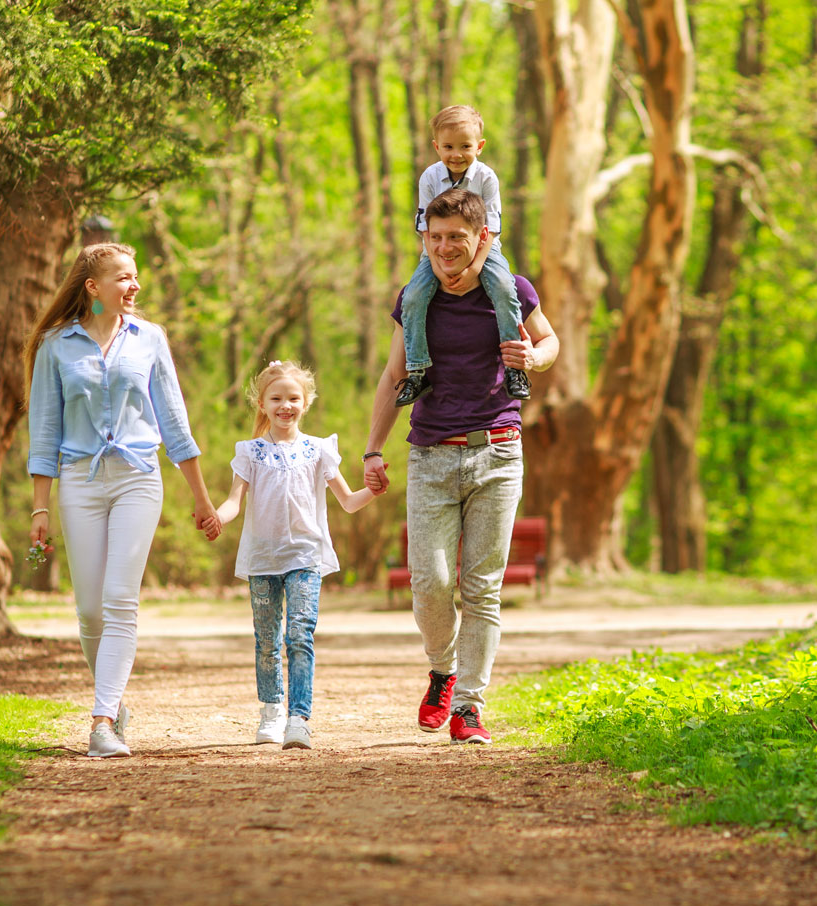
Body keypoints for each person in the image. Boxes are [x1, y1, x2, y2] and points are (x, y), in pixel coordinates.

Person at [363, 188, 559, 745]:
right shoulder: (416, 299)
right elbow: (394, 375)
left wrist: (534, 357)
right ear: (424, 238)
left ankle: (469, 706)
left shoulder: (513, 290)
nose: (445, 247)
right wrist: (373, 450)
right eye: (436, 237)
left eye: (457, 237)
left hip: (498, 451)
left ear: (482, 238)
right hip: (430, 453)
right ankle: (442, 669)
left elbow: (549, 341)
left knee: (481, 588)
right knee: (429, 582)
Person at [25, 242, 221, 759]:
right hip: (80, 482)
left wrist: (201, 498)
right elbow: (44, 431)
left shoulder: (149, 338)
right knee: (90, 610)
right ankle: (113, 699)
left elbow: (174, 423)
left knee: (118, 600)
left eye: (135, 276)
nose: (135, 286)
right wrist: (40, 507)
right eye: (124, 278)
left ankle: (102, 720)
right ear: (94, 287)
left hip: (138, 479)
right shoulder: (55, 345)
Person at [212, 360, 383, 749]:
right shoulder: (250, 452)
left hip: (305, 555)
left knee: (299, 634)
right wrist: (217, 518)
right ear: (261, 403)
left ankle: (298, 718)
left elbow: (348, 501)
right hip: (263, 559)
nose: (285, 405)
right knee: (267, 639)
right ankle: (272, 711)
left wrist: (373, 489)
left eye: (293, 398)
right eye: (276, 399)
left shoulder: (318, 450)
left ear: (306, 403)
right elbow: (234, 502)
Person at [395, 104, 530, 407]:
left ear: (479, 146)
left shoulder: (486, 178)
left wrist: (475, 268)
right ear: (437, 147)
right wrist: (436, 267)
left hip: (484, 250)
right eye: (448, 147)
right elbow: (425, 227)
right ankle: (417, 370)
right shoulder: (430, 177)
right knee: (413, 296)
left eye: (465, 146)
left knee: (505, 288)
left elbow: (492, 227)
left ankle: (514, 369)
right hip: (436, 251)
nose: (456, 154)